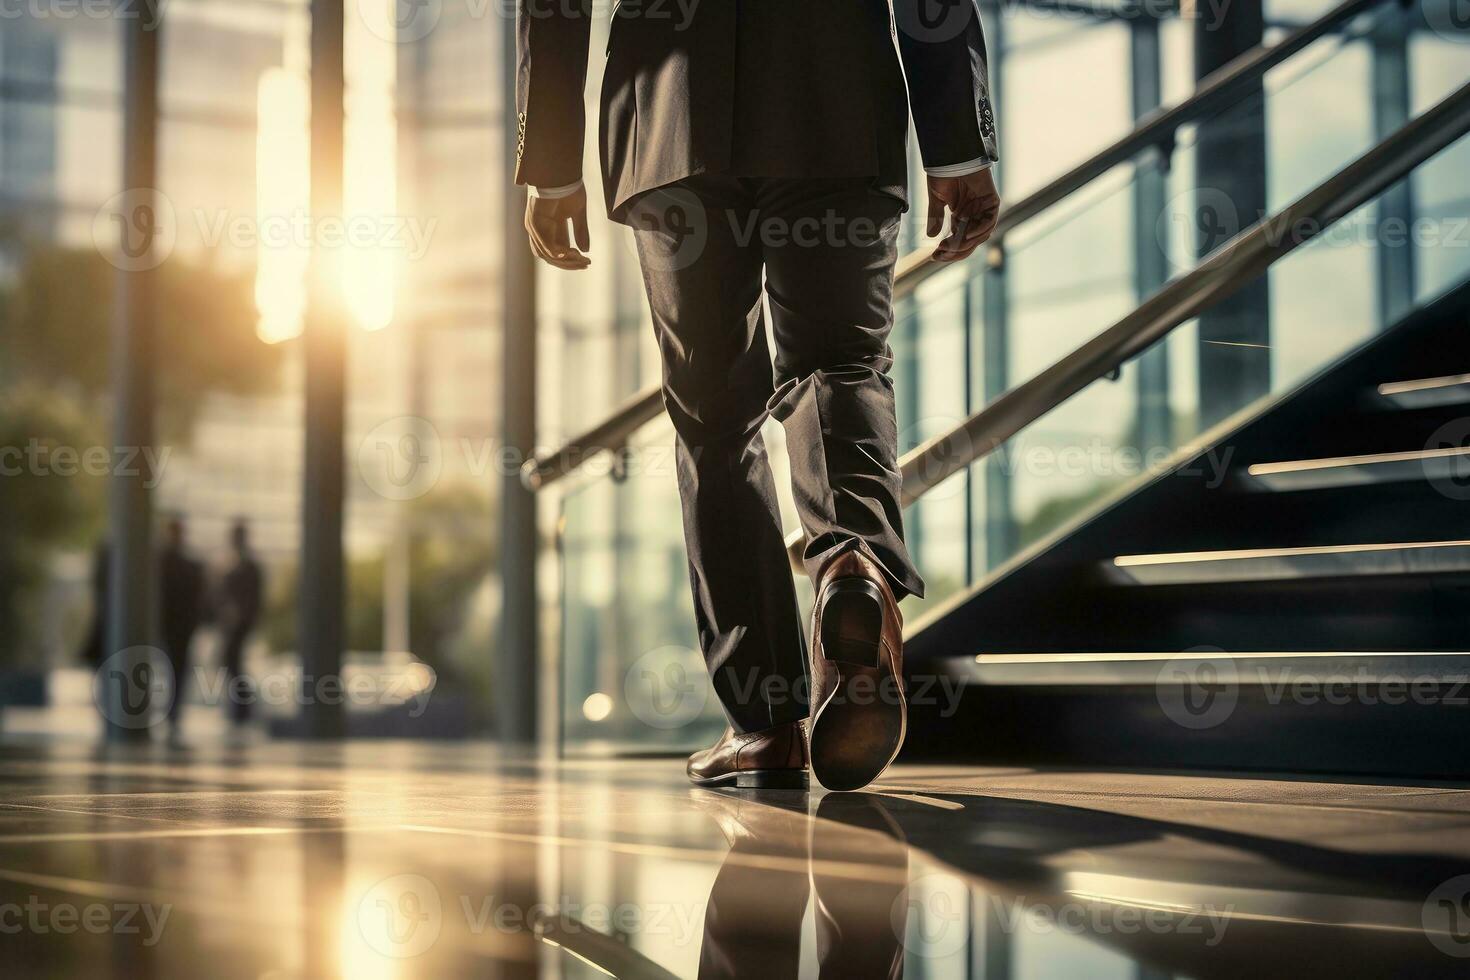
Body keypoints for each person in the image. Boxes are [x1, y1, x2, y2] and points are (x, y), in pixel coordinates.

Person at [517, 1, 1001, 790]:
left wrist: (551, 159)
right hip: (832, 95)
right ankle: (853, 564)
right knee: (839, 364)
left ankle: (765, 720)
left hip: (670, 116)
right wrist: (957, 144)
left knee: (713, 421)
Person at [158, 517, 206, 741]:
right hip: (177, 625)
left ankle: (172, 712)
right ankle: (172, 712)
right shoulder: (187, 565)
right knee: (177, 669)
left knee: (175, 669)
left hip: (174, 625)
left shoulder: (162, 563)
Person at [216, 519, 263, 726]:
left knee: (232, 661)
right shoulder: (238, 563)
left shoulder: (247, 565)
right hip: (234, 622)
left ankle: (243, 708)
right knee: (230, 662)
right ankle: (240, 707)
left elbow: (251, 598)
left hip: (240, 622)